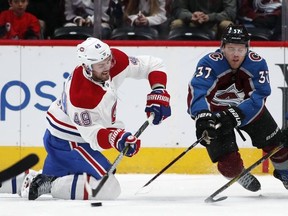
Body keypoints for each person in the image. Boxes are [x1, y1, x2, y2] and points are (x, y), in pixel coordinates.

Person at [24, 37, 171, 200]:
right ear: (87, 67)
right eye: (101, 65)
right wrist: (117, 138)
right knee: (107, 188)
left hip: (74, 136)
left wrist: (158, 91)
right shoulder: (81, 96)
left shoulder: (114, 61)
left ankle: (33, 179)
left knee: (99, 177)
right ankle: (49, 183)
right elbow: (92, 136)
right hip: (67, 141)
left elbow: (153, 63)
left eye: (107, 61)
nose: (107, 67)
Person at [187, 24, 288, 192]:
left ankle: (286, 173)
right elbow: (198, 90)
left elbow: (260, 95)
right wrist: (202, 117)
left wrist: (237, 114)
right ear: (222, 47)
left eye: (241, 49)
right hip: (216, 114)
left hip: (250, 111)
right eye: (231, 48)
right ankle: (237, 173)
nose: (235, 54)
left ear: (248, 48)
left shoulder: (257, 64)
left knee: (278, 146)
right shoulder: (209, 63)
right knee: (228, 164)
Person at [170, 0, 237, 39]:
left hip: (216, 22)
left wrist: (209, 17)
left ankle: (225, 52)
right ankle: (176, 51)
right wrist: (191, 16)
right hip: (192, 21)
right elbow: (178, 9)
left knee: (227, 25)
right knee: (177, 23)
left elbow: (230, 12)